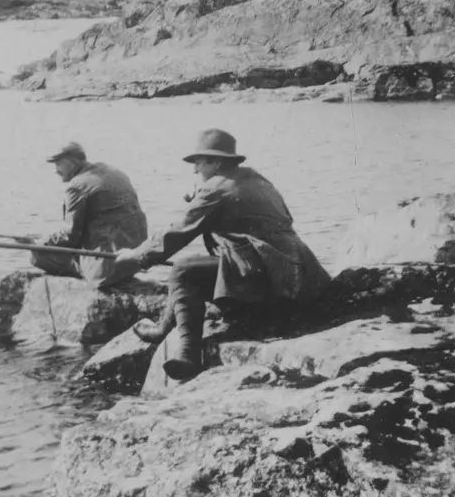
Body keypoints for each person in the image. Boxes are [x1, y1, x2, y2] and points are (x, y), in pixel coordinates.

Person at [113, 128, 330, 381]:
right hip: (296, 274)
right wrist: (201, 197)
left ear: (216, 162)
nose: (195, 170)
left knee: (183, 270)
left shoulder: (216, 189)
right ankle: (163, 328)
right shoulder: (258, 180)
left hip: (266, 279)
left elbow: (176, 235)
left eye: (199, 163)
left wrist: (136, 256)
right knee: (193, 269)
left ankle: (188, 354)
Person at [29, 142, 148, 289]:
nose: (56, 170)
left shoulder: (77, 186)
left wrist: (37, 243)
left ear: (72, 162)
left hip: (107, 267)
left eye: (58, 164)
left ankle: (93, 274)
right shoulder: (114, 172)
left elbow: (70, 235)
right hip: (135, 260)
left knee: (37, 256)